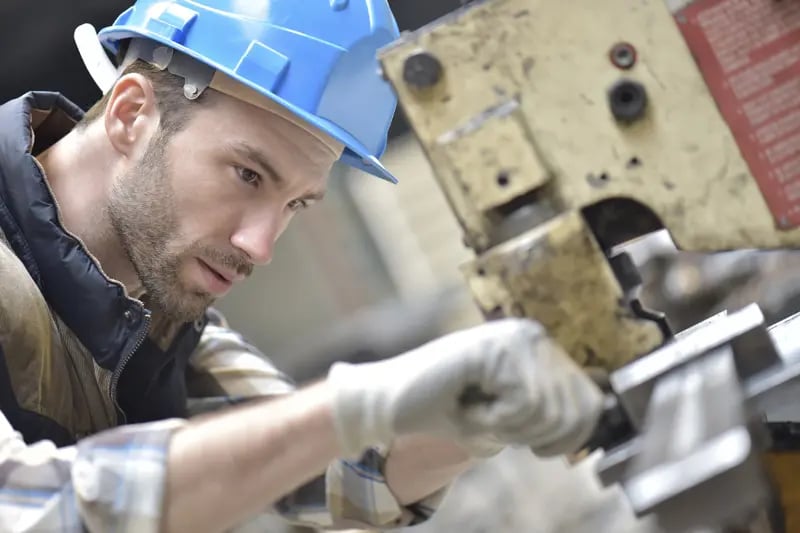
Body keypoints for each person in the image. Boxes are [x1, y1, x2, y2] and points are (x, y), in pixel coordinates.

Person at [0, 1, 604, 532]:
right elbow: (36, 511)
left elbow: (344, 477)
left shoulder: (149, 315)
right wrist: (352, 407)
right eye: (248, 174)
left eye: (295, 203)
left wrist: (477, 410)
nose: (260, 244)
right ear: (132, 114)